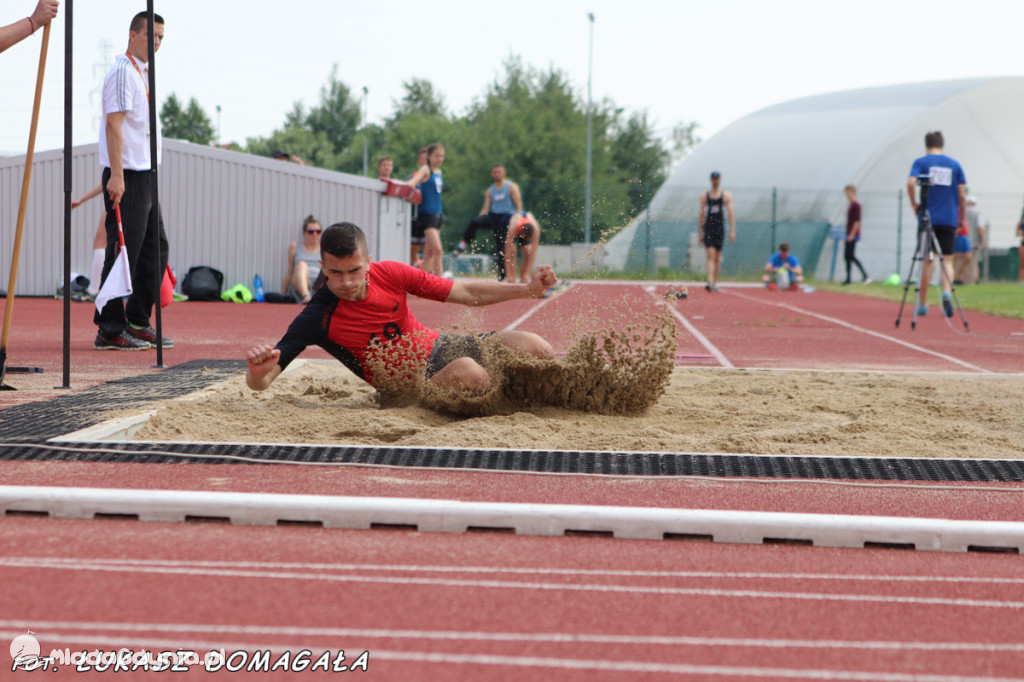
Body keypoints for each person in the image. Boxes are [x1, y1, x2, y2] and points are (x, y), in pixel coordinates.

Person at [245, 222, 556, 398]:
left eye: (354, 270)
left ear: (368, 261)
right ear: (323, 266)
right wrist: (257, 375)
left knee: (535, 347)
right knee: (472, 376)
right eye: (336, 273)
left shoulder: (390, 273)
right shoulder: (317, 316)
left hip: (441, 347)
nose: (347, 281)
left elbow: (465, 291)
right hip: (412, 386)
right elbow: (262, 381)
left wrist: (527, 290)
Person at [94, 11, 172, 350]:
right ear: (133, 35)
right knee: (123, 249)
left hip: (147, 174)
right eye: (151, 36)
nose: (156, 43)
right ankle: (110, 328)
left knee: (155, 248)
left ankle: (138, 319)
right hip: (128, 175)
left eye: (160, 38)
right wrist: (117, 175)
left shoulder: (144, 73)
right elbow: (114, 125)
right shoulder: (123, 73)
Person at [907, 131, 966, 317]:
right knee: (947, 260)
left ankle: (923, 303)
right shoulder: (954, 165)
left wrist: (914, 204)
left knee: (926, 261)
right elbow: (962, 194)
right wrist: (961, 217)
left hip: (927, 218)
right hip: (949, 218)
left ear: (926, 145)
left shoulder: (921, 162)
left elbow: (910, 183)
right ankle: (947, 291)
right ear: (943, 144)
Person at [454, 164, 523, 277]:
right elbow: (486, 208)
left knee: (502, 247)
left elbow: (518, 204)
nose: (497, 174)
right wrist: (480, 219)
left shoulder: (511, 187)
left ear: (504, 173)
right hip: (493, 216)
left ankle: (503, 276)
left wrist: (518, 218)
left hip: (507, 218)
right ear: (492, 174)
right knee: (474, 222)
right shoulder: (490, 191)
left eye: (499, 172)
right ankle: (462, 245)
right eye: (495, 172)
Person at [406, 143, 445, 275]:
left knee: (429, 253)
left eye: (442, 156)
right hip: (427, 216)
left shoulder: (438, 172)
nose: (440, 159)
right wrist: (406, 187)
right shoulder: (425, 169)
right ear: (429, 156)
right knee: (438, 250)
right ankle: (441, 285)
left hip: (438, 215)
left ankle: (419, 284)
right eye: (436, 156)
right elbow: (413, 181)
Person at [698, 171, 735, 293]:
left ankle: (714, 282)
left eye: (717, 179)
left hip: (720, 227)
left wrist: (732, 231)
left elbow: (730, 214)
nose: (715, 181)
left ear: (720, 180)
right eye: (713, 179)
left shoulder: (726, 196)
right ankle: (709, 281)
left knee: (717, 257)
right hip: (709, 227)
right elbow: (702, 214)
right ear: (711, 180)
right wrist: (700, 232)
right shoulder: (705, 196)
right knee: (710, 254)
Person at [70, 183, 108, 298]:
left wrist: (82, 200)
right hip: (133, 201)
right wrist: (81, 200)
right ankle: (95, 289)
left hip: (122, 202)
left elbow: (107, 182)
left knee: (100, 244)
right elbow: (106, 182)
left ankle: (93, 289)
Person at [281, 215, 322, 303]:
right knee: (302, 264)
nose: (315, 234)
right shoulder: (295, 247)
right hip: (299, 286)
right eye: (311, 232)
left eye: (318, 231)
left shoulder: (324, 248)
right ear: (304, 233)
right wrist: (282, 295)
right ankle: (306, 296)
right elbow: (289, 273)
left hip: (318, 286)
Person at [842, 185, 871, 285]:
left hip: (853, 234)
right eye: (846, 193)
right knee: (847, 256)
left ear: (853, 192)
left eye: (849, 192)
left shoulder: (856, 205)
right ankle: (848, 278)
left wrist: (852, 234)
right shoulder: (851, 204)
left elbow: (857, 221)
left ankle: (865, 275)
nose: (847, 195)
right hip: (848, 233)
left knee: (850, 256)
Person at [503, 212, 540, 284]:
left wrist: (526, 274)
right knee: (512, 252)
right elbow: (507, 255)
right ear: (521, 233)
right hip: (507, 224)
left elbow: (533, 254)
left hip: (524, 227)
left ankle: (523, 277)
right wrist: (509, 276)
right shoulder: (513, 228)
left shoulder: (536, 231)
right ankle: (512, 278)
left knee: (528, 252)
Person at [957, 194, 987, 285]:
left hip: (960, 240)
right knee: (973, 263)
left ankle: (960, 278)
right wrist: (982, 241)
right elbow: (980, 228)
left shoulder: (961, 212)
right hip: (973, 242)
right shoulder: (978, 214)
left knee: (960, 261)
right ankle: (972, 281)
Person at [407, 147, 428, 267]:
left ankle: (428, 273)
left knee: (428, 247)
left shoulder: (433, 176)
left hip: (428, 216)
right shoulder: (412, 177)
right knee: (413, 247)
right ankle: (411, 270)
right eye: (423, 159)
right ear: (419, 161)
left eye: (427, 159)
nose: (425, 161)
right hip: (415, 216)